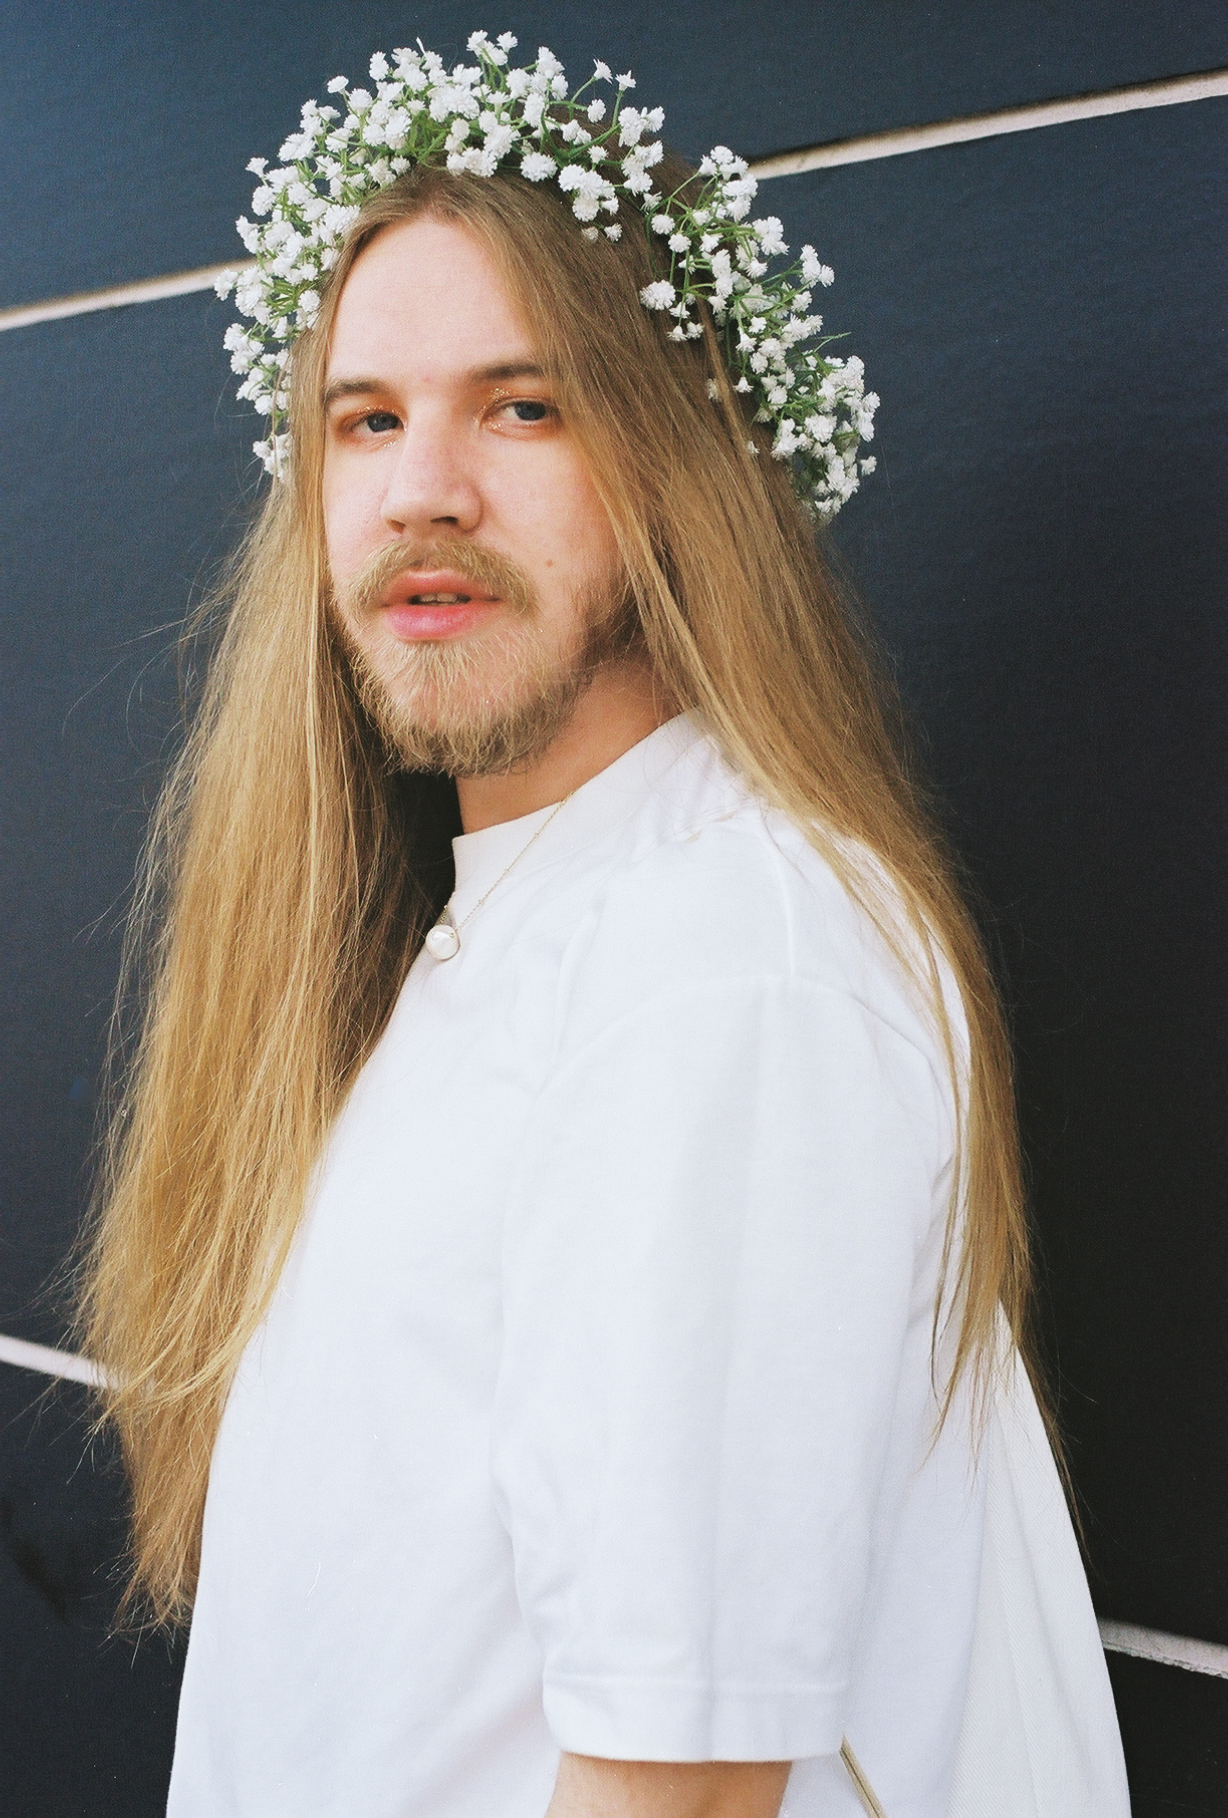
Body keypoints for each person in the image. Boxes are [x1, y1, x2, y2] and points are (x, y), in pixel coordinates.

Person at [80, 39, 1130, 1818]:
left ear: (672, 463)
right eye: (367, 416)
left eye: (524, 404)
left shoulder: (724, 964)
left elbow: (682, 1783)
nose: (422, 487)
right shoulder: (520, 916)